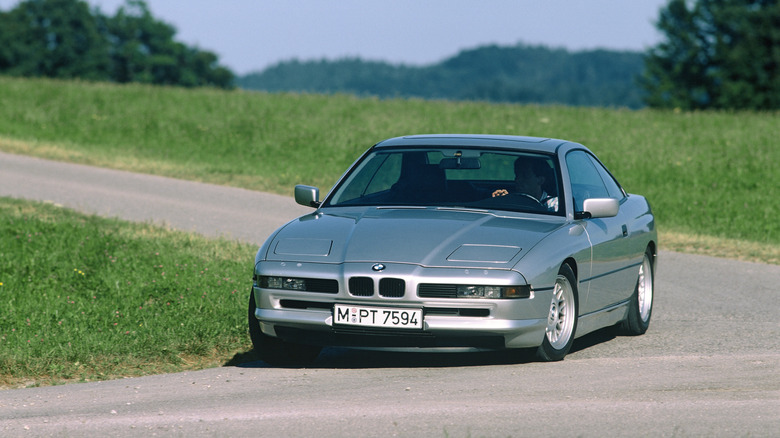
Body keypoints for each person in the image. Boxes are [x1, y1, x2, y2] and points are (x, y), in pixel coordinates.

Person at [492, 157, 558, 212]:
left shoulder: (554, 205)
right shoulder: (510, 198)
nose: (517, 180)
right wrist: (500, 200)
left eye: (525, 176)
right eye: (517, 175)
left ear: (540, 180)